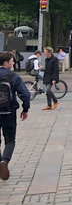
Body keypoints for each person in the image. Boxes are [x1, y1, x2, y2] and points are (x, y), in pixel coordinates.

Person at [0, 51, 30, 181]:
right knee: (10, 140)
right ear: (6, 63)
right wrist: (25, 109)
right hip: (9, 112)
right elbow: (25, 95)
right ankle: (5, 161)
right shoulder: (13, 76)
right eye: (12, 61)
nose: (14, 63)